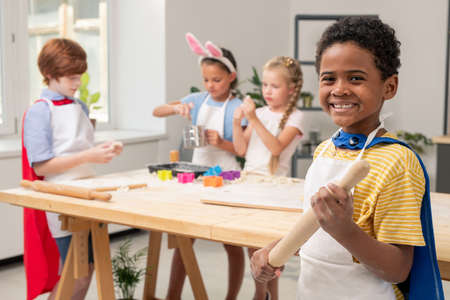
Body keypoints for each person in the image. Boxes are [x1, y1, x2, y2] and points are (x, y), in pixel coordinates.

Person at [250, 16, 444, 300]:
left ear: (389, 87)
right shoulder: (325, 150)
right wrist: (275, 250)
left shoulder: (398, 162)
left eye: (355, 78)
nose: (339, 88)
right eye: (329, 78)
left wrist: (344, 230)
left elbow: (399, 269)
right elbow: (315, 231)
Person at [22, 38, 123, 300]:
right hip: (61, 197)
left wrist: (104, 149)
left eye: (79, 77)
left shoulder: (79, 107)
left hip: (88, 192)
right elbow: (42, 165)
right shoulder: (39, 112)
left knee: (87, 269)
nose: (77, 84)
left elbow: (79, 148)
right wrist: (87, 155)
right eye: (71, 78)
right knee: (74, 272)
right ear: (49, 75)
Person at [152, 33, 244, 300]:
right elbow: (157, 111)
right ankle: (173, 296)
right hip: (199, 174)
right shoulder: (197, 100)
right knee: (185, 238)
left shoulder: (237, 107)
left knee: (232, 243)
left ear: (231, 76)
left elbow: (242, 149)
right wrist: (176, 108)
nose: (210, 85)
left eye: (216, 80)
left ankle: (231, 297)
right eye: (206, 80)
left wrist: (222, 142)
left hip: (227, 176)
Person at [232, 56, 304, 299]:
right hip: (248, 183)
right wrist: (236, 121)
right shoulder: (260, 112)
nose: (267, 91)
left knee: (269, 252)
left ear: (291, 89)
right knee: (252, 248)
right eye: (264, 85)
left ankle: (261, 294)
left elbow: (275, 148)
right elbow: (241, 150)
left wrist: (252, 119)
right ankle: (263, 293)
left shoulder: (296, 117)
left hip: (273, 190)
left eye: (274, 86)